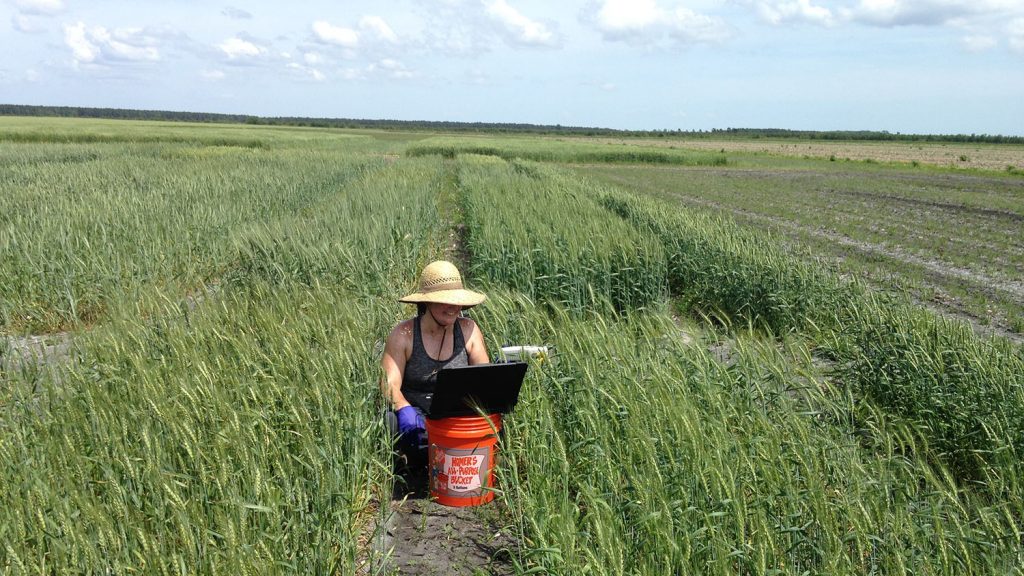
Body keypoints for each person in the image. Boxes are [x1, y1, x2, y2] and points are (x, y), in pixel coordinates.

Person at [381, 260, 489, 467]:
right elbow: (388, 383)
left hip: (457, 415)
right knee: (390, 421)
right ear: (427, 303)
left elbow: (483, 379)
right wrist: (404, 409)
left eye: (456, 301)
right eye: (444, 301)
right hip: (417, 418)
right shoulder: (404, 335)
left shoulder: (468, 330)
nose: (453, 308)